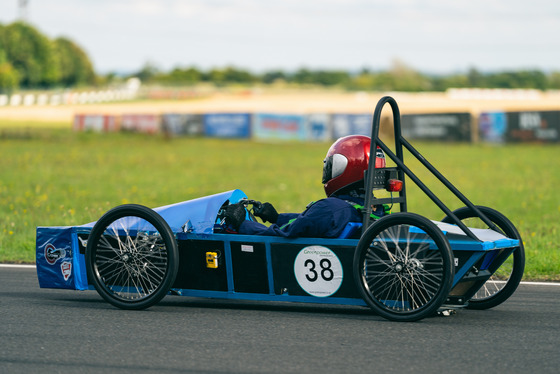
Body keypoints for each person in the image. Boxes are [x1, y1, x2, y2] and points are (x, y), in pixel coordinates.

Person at [224, 135, 389, 238]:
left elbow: (279, 235)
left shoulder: (331, 208)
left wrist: (242, 224)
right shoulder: (374, 209)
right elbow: (309, 222)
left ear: (344, 167)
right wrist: (277, 218)